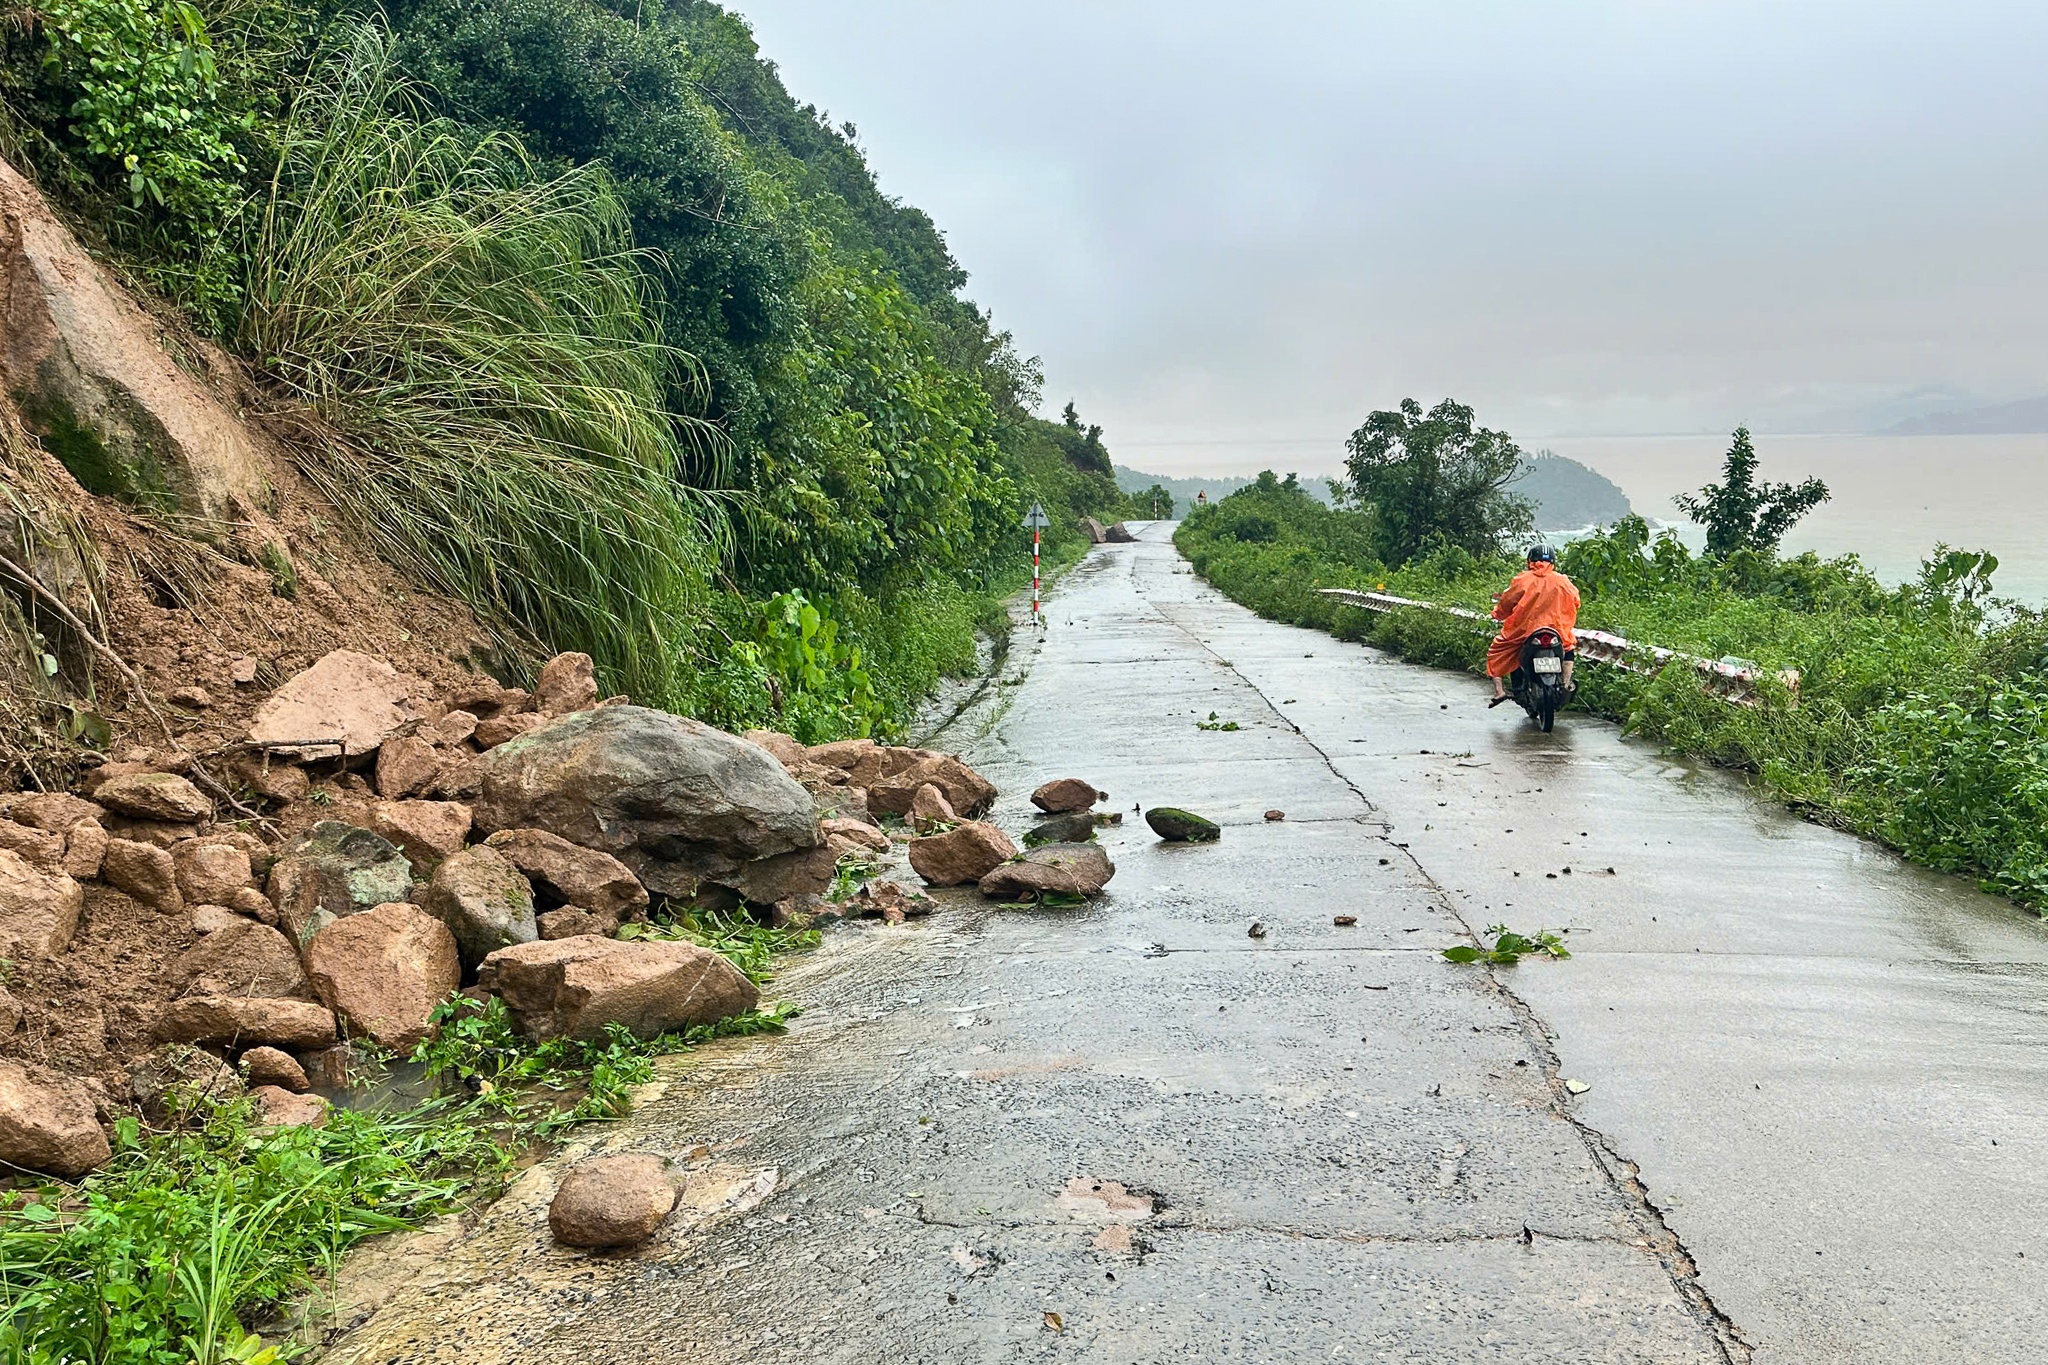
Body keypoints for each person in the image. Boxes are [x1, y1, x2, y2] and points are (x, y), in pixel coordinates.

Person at [1487, 545, 1580, 706]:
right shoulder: (1563, 580)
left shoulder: (1522, 580)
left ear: (1530, 560)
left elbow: (1506, 602)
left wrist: (1497, 614)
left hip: (1524, 631)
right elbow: (1576, 601)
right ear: (1552, 561)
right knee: (1569, 648)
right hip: (1557, 630)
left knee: (1497, 651)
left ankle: (1499, 691)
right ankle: (1565, 684)